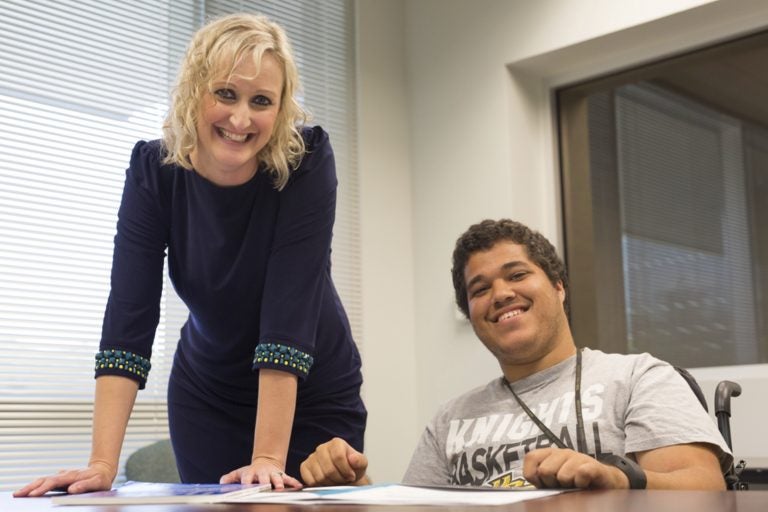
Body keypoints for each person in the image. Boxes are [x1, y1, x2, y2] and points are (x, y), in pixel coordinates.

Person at [15, 13, 365, 497]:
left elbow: (290, 309)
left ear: (280, 109)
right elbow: (129, 316)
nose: (241, 118)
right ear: (193, 90)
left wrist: (266, 457)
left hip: (309, 389)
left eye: (260, 101)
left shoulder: (304, 162)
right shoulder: (154, 171)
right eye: (225, 93)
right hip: (208, 395)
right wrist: (101, 464)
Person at [299, 219, 731, 490]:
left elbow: (703, 490)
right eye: (480, 289)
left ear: (559, 286)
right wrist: (354, 486)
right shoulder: (450, 419)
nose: (500, 294)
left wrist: (616, 477)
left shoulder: (639, 376)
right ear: (471, 315)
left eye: (517, 275)